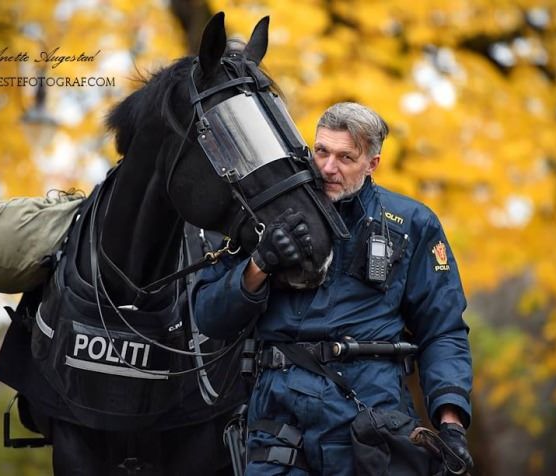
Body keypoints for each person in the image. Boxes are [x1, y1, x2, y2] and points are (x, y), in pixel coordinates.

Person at [193, 102, 473, 475]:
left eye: (345, 157)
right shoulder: (266, 215)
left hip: (370, 416)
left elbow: (443, 330)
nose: (327, 168)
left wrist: (451, 422)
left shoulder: (411, 222)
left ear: (372, 163)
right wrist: (258, 264)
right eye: (321, 151)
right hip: (279, 416)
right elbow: (208, 318)